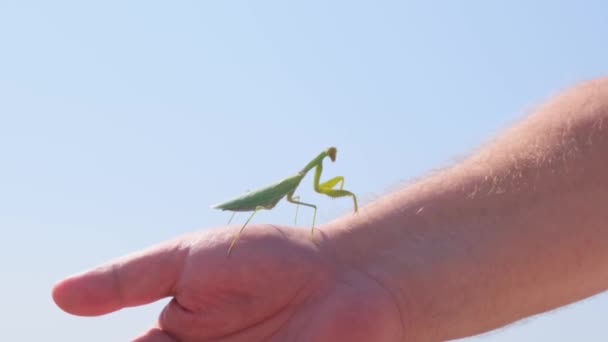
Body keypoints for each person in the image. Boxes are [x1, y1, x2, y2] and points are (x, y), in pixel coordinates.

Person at [53, 78, 608, 342]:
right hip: (280, 225)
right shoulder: (297, 194)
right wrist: (343, 260)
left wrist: (348, 266)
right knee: (276, 203)